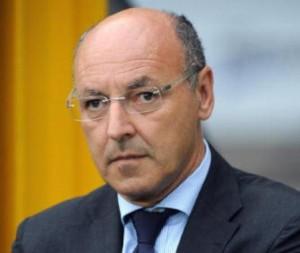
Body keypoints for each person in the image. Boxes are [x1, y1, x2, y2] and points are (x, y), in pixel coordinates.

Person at [12, 8, 300, 253]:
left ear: (203, 93)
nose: (116, 129)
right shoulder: (42, 240)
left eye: (145, 96)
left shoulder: (283, 228)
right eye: (95, 102)